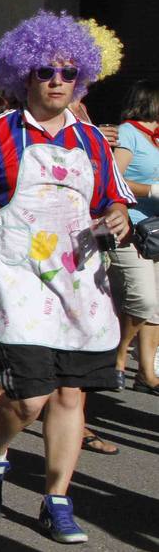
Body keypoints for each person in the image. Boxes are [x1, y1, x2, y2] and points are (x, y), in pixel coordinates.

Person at [0, 10, 131, 544]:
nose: (56, 81)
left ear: (81, 78)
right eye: (45, 70)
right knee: (29, 400)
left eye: (68, 72)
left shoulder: (92, 141)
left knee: (71, 398)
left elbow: (113, 202)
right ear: (24, 74)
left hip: (79, 285)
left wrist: (118, 216)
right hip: (17, 286)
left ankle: (58, 499)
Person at [110, 78, 159, 394]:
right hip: (131, 229)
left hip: (157, 231)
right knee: (143, 300)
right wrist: (152, 190)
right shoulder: (129, 133)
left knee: (157, 307)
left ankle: (147, 372)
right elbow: (115, 178)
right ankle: (117, 358)